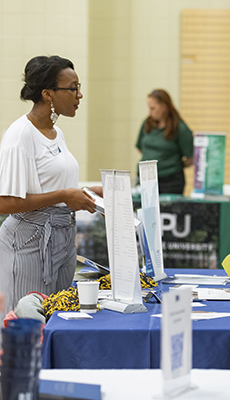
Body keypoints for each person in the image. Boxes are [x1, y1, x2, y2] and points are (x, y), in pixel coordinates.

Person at [0, 55, 101, 321]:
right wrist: (64, 195)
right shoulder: (20, 135)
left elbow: (51, 183)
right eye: (73, 88)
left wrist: (85, 191)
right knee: (27, 324)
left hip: (61, 238)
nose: (79, 95)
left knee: (58, 320)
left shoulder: (57, 132)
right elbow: (5, 202)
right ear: (47, 94)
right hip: (29, 242)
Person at [136, 89, 193, 194]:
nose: (150, 112)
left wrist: (169, 164)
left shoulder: (180, 128)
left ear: (164, 107)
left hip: (170, 182)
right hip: (146, 178)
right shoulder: (147, 123)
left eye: (153, 108)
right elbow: (140, 148)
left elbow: (190, 158)